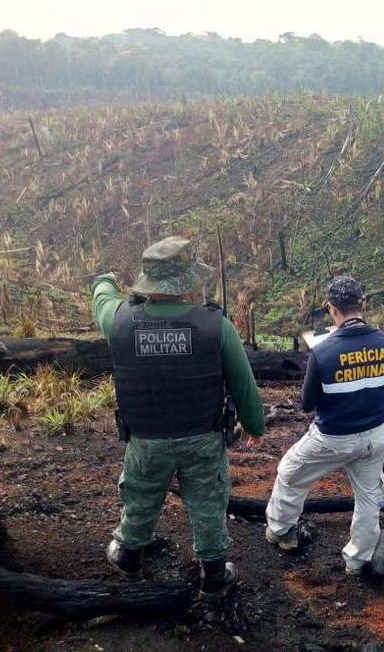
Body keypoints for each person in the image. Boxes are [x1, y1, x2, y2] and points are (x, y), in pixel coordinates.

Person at [91, 236, 265, 597]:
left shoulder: (119, 320)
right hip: (202, 437)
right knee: (208, 500)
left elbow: (102, 301)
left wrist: (102, 280)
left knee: (140, 494)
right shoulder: (216, 326)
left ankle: (128, 556)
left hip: (145, 439)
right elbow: (244, 386)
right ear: (187, 283)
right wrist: (254, 425)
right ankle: (215, 573)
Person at [265, 276, 384, 575]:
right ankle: (358, 560)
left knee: (290, 472)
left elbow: (307, 404)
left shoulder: (323, 352)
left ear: (331, 308)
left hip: (332, 437)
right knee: (369, 498)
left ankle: (279, 529)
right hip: (376, 434)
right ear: (363, 303)